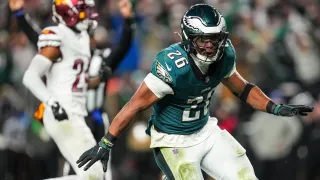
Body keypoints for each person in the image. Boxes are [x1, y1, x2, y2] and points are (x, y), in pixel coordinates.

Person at [76, 4, 313, 180]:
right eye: (203, 39)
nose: (210, 45)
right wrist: (106, 143)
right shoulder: (172, 65)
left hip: (206, 130)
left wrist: (275, 107)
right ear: (189, 38)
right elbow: (135, 105)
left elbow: (243, 89)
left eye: (215, 39)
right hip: (173, 140)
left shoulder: (226, 55)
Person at [11, 0, 135, 178]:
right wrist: (52, 102)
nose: (89, 14)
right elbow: (30, 76)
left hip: (82, 114)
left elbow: (76, 79)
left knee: (96, 174)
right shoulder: (58, 35)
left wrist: (98, 79)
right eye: (83, 10)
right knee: (94, 174)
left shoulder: (81, 39)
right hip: (64, 112)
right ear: (68, 13)